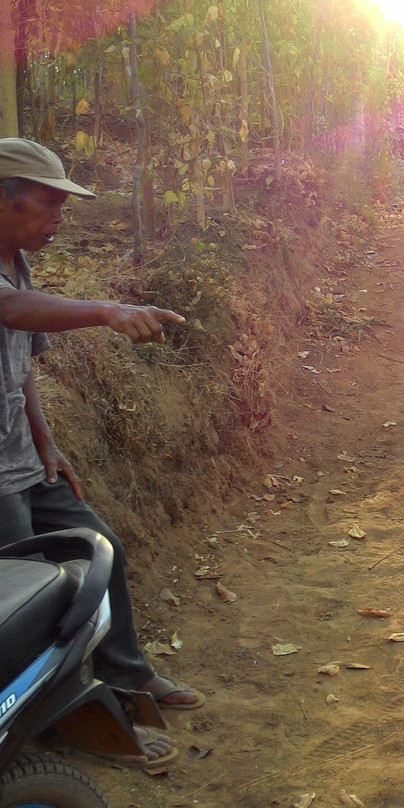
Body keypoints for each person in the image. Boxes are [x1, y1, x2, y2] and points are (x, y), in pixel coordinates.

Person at [0, 138, 203, 767]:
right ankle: (54, 727)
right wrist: (108, 311)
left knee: (99, 550)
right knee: (31, 601)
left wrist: (47, 442)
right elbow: (8, 310)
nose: (60, 217)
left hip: (23, 461)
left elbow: (22, 362)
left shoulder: (16, 260)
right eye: (50, 202)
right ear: (4, 199)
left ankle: (126, 675)